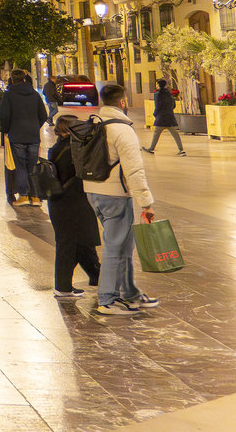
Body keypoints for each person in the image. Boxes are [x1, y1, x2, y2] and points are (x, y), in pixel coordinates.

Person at [87, 82, 159, 316]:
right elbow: (134, 170)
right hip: (115, 194)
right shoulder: (122, 129)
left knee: (124, 246)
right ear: (122, 102)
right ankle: (107, 299)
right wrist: (146, 202)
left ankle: (130, 293)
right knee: (115, 247)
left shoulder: (95, 123)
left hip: (93, 191)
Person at [46, 113, 102, 298]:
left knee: (82, 241)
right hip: (71, 202)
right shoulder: (73, 150)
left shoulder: (57, 147)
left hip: (61, 202)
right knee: (69, 244)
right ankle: (62, 287)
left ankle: (97, 276)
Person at [0, 69, 50, 206]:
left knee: (21, 166)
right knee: (33, 166)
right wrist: (35, 126)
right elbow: (43, 115)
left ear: (12, 79)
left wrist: (7, 130)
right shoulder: (34, 94)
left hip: (16, 135)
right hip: (33, 135)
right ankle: (35, 197)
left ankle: (23, 195)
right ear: (24, 79)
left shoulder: (9, 95)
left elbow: (4, 116)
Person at [144, 79, 184, 156]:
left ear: (158, 85)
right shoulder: (169, 94)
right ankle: (181, 149)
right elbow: (173, 105)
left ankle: (151, 148)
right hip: (169, 116)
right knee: (175, 133)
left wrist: (155, 114)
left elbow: (157, 106)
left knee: (156, 133)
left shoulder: (157, 94)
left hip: (161, 117)